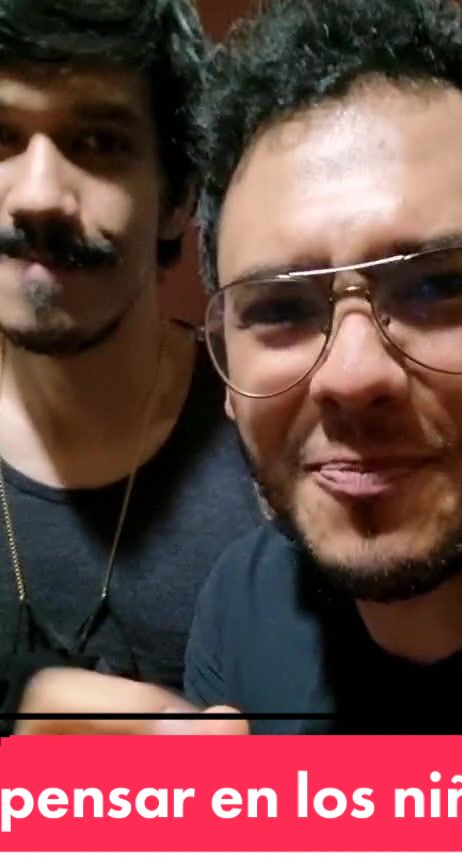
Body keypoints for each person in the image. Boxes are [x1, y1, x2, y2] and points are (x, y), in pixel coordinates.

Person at [0, 0, 462, 857]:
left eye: (440, 285)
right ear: (224, 364)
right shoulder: (247, 603)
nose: (351, 374)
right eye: (279, 309)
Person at [0, 0, 261, 719]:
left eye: (99, 141)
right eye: (0, 137)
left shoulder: (281, 441)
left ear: (178, 197)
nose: (38, 196)